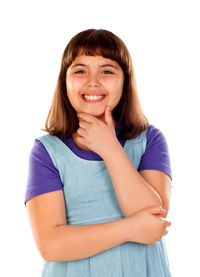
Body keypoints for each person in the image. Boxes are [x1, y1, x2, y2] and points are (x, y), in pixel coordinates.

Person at [24, 29, 173, 276]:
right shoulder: (47, 152)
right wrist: (130, 229)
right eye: (80, 70)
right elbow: (51, 244)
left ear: (124, 81)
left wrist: (110, 148)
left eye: (107, 71)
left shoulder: (150, 140)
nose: (93, 81)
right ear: (65, 81)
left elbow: (154, 222)